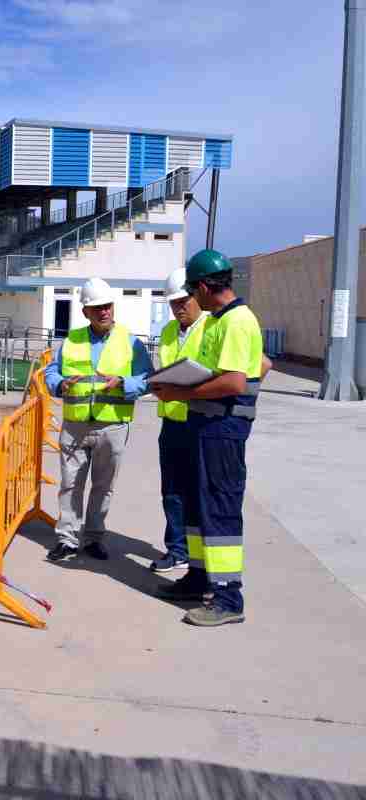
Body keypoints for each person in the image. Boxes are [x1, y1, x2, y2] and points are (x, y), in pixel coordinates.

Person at [151, 249, 265, 626]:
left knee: (219, 509)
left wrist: (181, 393)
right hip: (206, 428)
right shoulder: (219, 321)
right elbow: (253, 365)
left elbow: (234, 380)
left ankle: (228, 598)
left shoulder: (237, 321)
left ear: (202, 286)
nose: (190, 300)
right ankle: (199, 578)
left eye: (191, 292)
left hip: (224, 430)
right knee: (199, 508)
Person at [43, 277, 153, 563]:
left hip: (112, 426)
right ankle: (67, 540)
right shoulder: (71, 341)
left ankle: (93, 537)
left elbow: (147, 379)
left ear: (112, 307)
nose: (103, 311)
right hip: (75, 425)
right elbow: (51, 372)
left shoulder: (131, 343)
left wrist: (123, 384)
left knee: (103, 486)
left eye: (107, 306)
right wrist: (60, 384)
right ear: (85, 313)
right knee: (70, 484)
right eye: (96, 308)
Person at [149, 268, 209, 573]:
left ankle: (200, 555)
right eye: (173, 303)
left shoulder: (212, 327)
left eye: (183, 301)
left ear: (197, 297)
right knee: (171, 490)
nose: (178, 308)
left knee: (197, 491)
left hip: (200, 422)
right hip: (172, 422)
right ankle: (177, 549)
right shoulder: (169, 332)